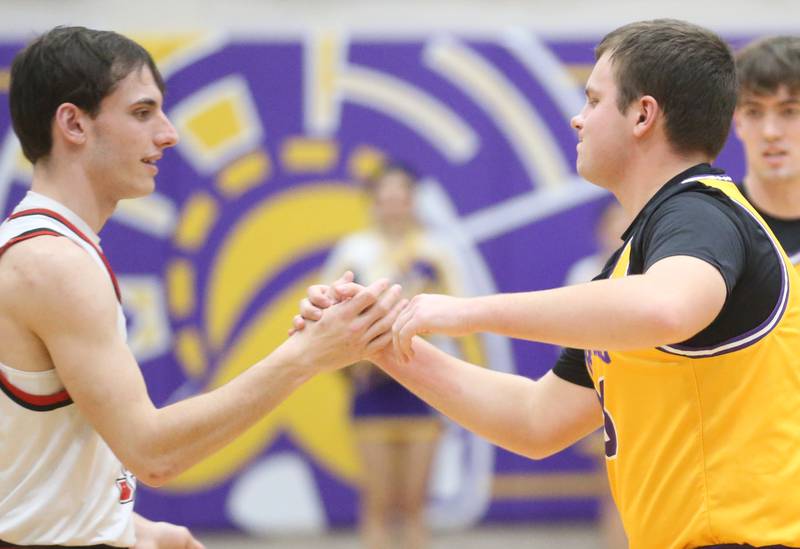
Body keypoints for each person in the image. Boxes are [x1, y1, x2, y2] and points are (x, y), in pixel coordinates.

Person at [297, 19, 800, 549]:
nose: (577, 118)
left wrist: (465, 311)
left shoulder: (701, 212)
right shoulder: (636, 259)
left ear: (643, 115)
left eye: (594, 100)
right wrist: (381, 340)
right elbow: (535, 422)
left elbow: (666, 309)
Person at [0, 26, 403, 549]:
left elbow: (30, 463)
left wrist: (133, 530)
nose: (168, 134)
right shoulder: (54, 264)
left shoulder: (42, 250)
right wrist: (307, 355)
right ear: (74, 123)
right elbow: (153, 453)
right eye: (142, 113)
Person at [321, 163, 455, 549]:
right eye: (386, 196)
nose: (394, 204)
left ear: (413, 201)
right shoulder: (353, 251)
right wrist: (354, 364)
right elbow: (330, 312)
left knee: (415, 507)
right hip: (372, 387)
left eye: (402, 196)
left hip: (424, 382)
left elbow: (457, 311)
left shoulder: (435, 251)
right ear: (374, 201)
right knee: (377, 504)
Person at [734, 35, 800, 269]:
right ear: (737, 122)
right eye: (754, 112)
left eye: (789, 111)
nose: (770, 132)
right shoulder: (713, 222)